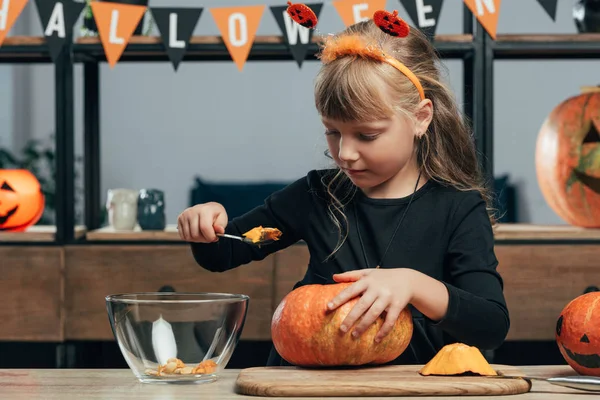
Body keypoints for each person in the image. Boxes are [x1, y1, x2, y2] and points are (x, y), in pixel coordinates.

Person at [177, 13, 509, 367]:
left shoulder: (458, 209)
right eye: (332, 132)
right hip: (308, 385)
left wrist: (413, 284)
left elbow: (490, 326)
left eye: (366, 135)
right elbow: (226, 252)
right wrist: (205, 227)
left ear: (420, 117)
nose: (345, 154)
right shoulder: (315, 195)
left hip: (413, 388)